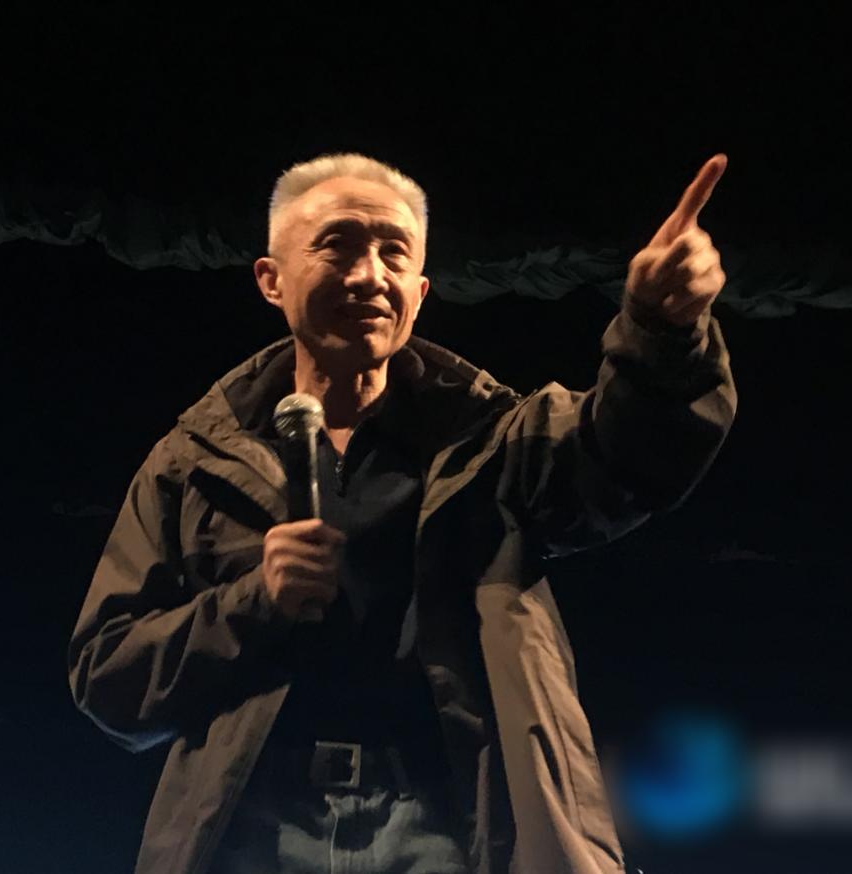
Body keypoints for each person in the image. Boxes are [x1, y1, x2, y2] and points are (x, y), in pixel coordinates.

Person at [68, 152, 736, 874]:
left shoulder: (490, 438)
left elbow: (626, 463)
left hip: (449, 819)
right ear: (271, 279)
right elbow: (109, 675)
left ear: (419, 291)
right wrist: (253, 602)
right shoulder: (194, 460)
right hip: (250, 822)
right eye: (338, 246)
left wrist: (661, 332)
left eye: (394, 253)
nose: (369, 275)